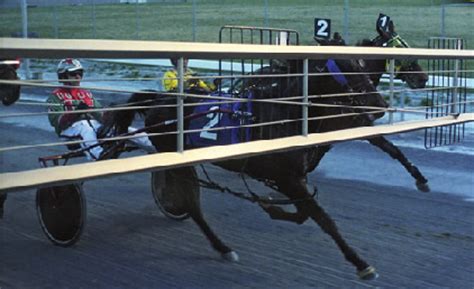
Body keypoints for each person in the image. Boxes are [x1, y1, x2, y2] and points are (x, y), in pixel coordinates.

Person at [47, 58, 155, 161]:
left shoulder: (86, 94)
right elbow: (57, 122)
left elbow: (101, 116)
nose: (77, 76)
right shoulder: (55, 96)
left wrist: (112, 114)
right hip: (69, 130)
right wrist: (75, 113)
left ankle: (153, 145)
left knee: (123, 128)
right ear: (63, 76)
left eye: (79, 73)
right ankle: (98, 155)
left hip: (91, 126)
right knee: (84, 126)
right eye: (73, 73)